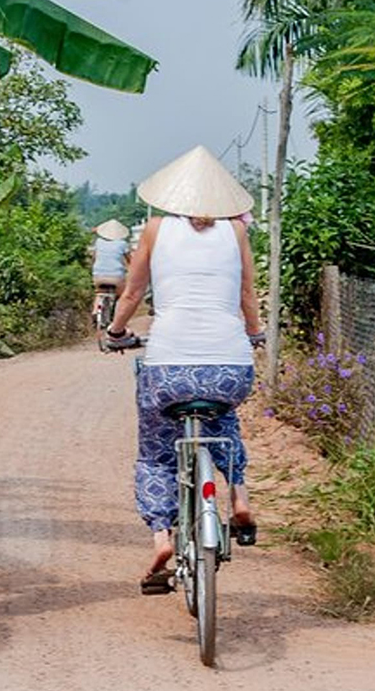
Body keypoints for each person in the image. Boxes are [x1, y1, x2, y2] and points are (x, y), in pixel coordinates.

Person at [104, 145, 265, 589]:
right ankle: (238, 495)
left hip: (168, 364)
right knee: (224, 416)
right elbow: (247, 296)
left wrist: (116, 332)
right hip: (230, 363)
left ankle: (161, 535)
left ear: (174, 197)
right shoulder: (236, 232)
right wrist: (253, 334)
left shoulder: (155, 229)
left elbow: (133, 294)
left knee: (156, 453)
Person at [91, 218, 131, 319]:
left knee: (99, 293)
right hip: (116, 277)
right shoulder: (122, 244)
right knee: (121, 295)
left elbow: (94, 258)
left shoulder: (98, 242)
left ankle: (95, 311)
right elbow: (130, 260)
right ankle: (117, 316)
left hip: (98, 275)